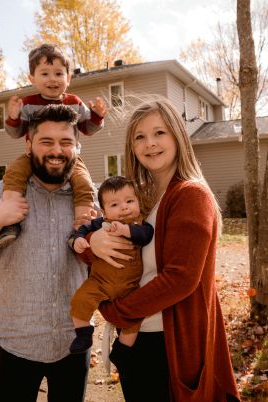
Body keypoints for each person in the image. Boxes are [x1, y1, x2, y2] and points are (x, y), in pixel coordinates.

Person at [84, 97, 241, 401]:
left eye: (159, 133)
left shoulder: (190, 195)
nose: (150, 144)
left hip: (167, 345)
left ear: (177, 136)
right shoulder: (139, 200)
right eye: (139, 137)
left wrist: (115, 312)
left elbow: (180, 279)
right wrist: (92, 241)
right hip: (138, 340)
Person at [0, 104, 93, 402]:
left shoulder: (89, 201)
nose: (56, 151)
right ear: (29, 144)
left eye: (66, 142)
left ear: (77, 147)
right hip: (15, 345)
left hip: (73, 345)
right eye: (46, 142)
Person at [0, 43, 107, 248]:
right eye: (45, 73)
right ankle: (9, 222)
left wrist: (97, 116)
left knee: (84, 184)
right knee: (14, 174)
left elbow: (87, 129)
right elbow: (16, 133)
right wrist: (14, 117)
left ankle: (81, 229)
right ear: (32, 79)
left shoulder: (75, 102)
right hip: (34, 157)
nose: (52, 79)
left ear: (68, 78)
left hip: (70, 160)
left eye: (58, 73)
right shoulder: (28, 104)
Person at [70, 176, 154, 354]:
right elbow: (84, 228)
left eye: (129, 201)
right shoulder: (102, 223)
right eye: (114, 205)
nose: (124, 207)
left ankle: (122, 349)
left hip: (130, 287)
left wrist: (127, 230)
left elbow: (146, 235)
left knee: (134, 321)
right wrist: (79, 239)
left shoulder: (139, 223)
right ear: (104, 212)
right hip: (99, 281)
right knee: (79, 301)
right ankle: (83, 333)